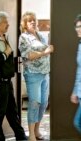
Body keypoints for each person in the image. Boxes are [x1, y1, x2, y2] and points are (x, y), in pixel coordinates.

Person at [0, 11, 27, 141]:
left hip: (7, 82)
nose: (8, 25)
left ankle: (21, 137)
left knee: (12, 112)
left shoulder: (3, 37)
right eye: (5, 22)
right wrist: (7, 52)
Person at [18, 11, 54, 141]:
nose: (32, 22)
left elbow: (47, 49)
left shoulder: (40, 35)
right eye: (29, 21)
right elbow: (29, 55)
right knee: (34, 103)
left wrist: (47, 49)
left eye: (34, 20)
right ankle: (31, 134)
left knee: (43, 103)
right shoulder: (24, 37)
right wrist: (46, 52)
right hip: (33, 74)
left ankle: (37, 129)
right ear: (25, 24)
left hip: (45, 74)